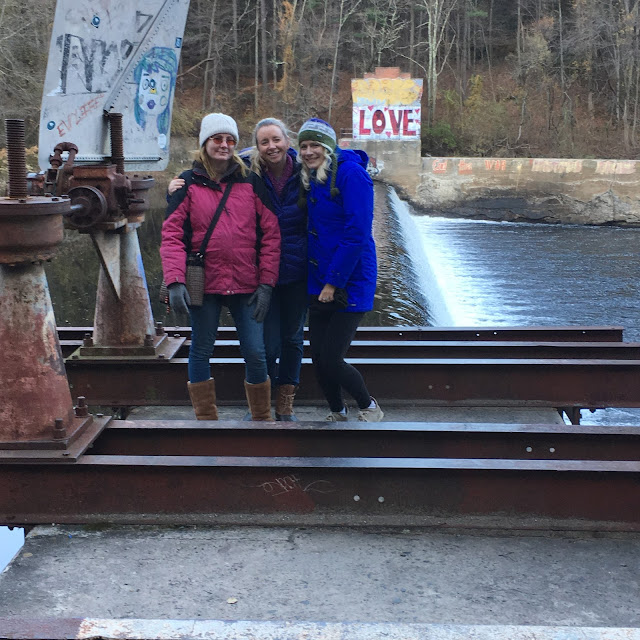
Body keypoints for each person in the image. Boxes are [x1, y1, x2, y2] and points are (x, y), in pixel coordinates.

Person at [169, 117, 307, 421]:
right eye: (217, 139)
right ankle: (206, 421)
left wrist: (266, 284)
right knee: (201, 348)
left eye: (230, 140)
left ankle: (261, 418)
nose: (224, 145)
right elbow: (172, 234)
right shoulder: (187, 183)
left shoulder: (250, 181)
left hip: (246, 281)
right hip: (203, 281)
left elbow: (271, 234)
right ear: (204, 143)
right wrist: (175, 280)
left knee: (256, 352)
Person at [297, 117, 384, 422]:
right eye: (303, 146)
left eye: (315, 145)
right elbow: (263, 155)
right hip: (319, 279)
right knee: (318, 358)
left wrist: (333, 283)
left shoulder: (351, 175)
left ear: (329, 147)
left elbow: (357, 233)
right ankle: (337, 411)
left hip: (350, 281)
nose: (308, 151)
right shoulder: (312, 173)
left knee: (332, 358)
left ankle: (369, 406)